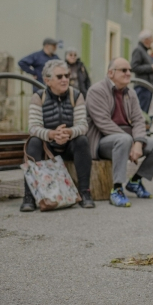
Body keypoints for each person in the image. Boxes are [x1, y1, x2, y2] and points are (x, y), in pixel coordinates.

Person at [85, 57, 153, 208]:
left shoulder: (131, 93)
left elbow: (138, 120)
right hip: (102, 142)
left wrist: (138, 142)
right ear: (110, 73)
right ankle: (116, 190)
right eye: (124, 70)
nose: (129, 73)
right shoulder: (96, 91)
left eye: (129, 70)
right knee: (123, 139)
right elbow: (103, 123)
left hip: (127, 140)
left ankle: (135, 181)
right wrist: (130, 142)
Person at [21, 59, 94, 211]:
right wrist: (52, 134)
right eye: (59, 76)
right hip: (48, 148)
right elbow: (33, 127)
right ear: (47, 80)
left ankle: (85, 192)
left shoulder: (76, 95)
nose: (65, 79)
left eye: (67, 76)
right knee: (34, 141)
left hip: (69, 145)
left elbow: (83, 125)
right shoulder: (38, 97)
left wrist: (69, 132)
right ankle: (29, 196)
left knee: (82, 140)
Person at [130, 30, 153, 113]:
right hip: (142, 87)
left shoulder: (144, 51)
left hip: (147, 87)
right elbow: (134, 67)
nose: (152, 41)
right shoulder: (138, 50)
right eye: (150, 39)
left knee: (144, 113)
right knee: (141, 113)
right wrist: (151, 68)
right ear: (145, 39)